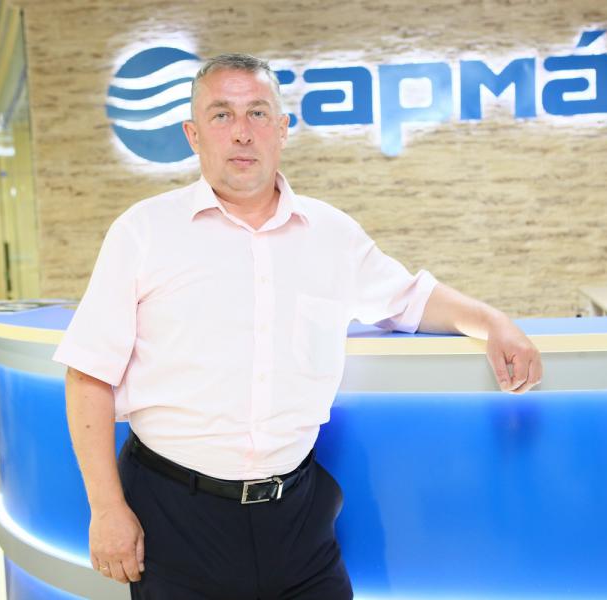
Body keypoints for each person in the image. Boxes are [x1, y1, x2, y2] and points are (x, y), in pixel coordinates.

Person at [52, 53, 542, 600]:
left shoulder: (330, 233)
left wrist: (492, 322)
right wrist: (106, 508)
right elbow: (88, 375)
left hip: (298, 516)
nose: (242, 132)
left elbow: (410, 298)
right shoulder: (143, 231)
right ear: (193, 134)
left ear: (283, 130)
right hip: (173, 515)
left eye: (258, 113)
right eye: (221, 115)